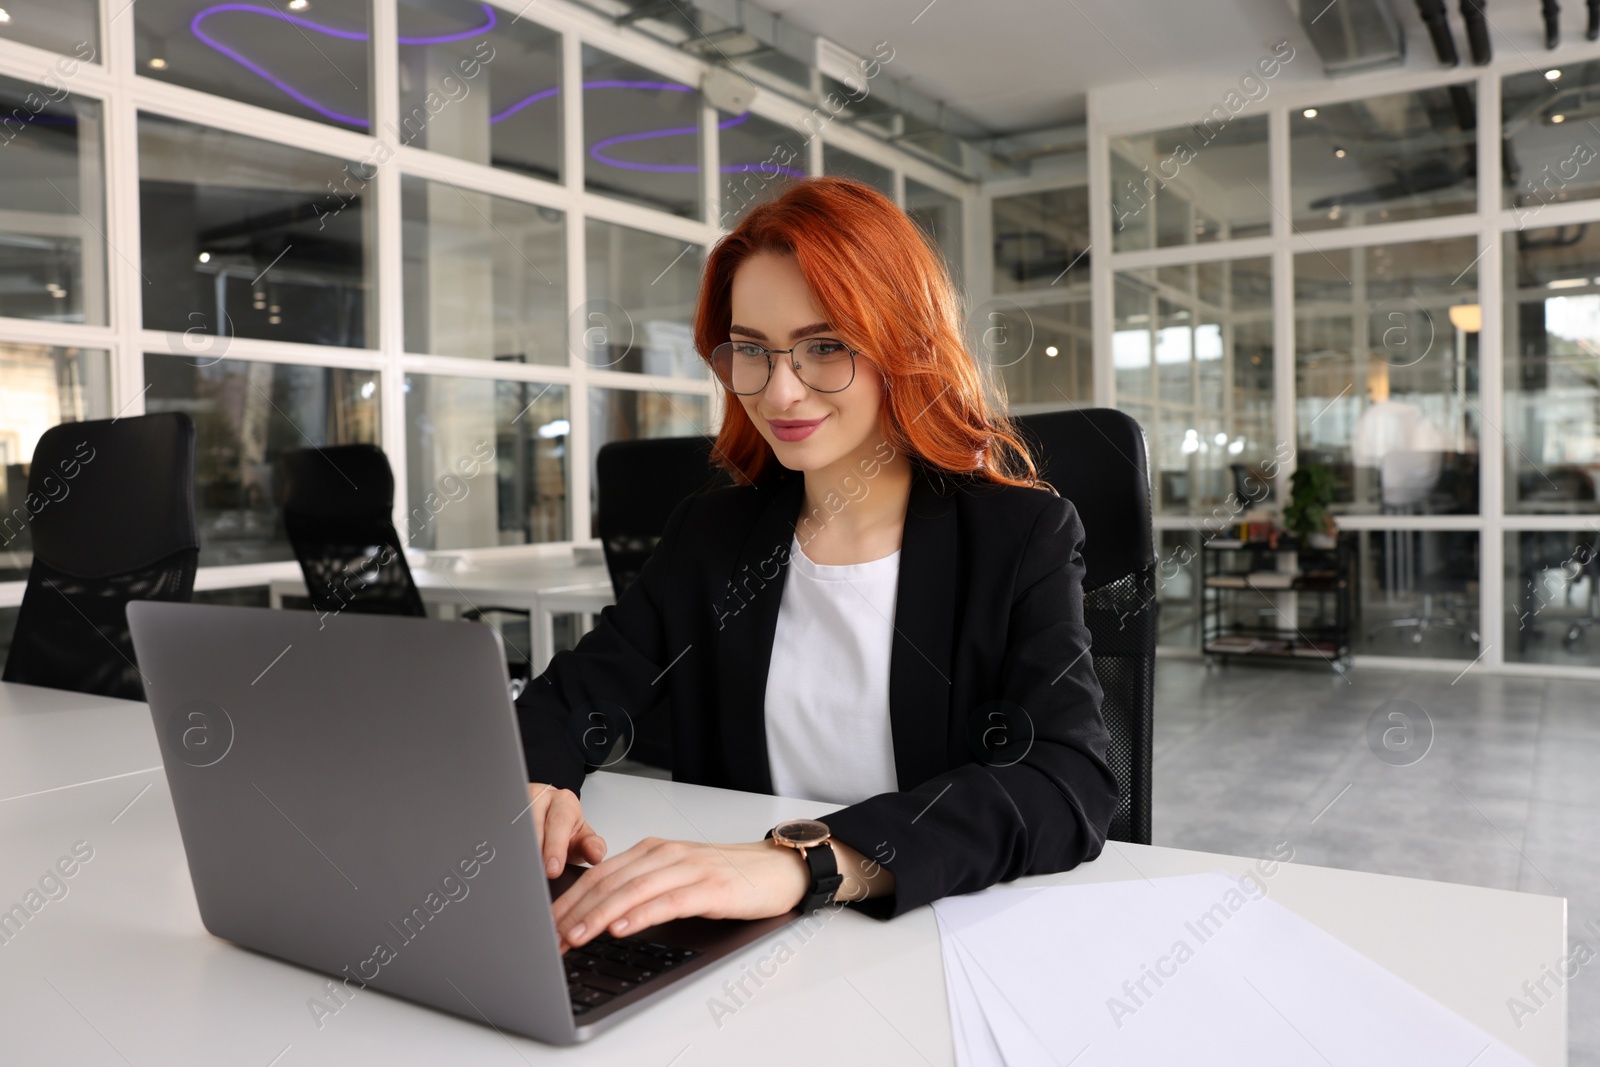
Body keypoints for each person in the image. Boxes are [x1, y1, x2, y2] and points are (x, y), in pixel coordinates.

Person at [515, 175, 1118, 954]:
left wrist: (807, 860)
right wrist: (534, 784)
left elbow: (1067, 780)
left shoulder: (1018, 534)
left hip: (940, 937)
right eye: (752, 352)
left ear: (903, 341)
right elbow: (570, 701)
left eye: (825, 345)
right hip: (747, 950)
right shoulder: (712, 535)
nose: (780, 390)